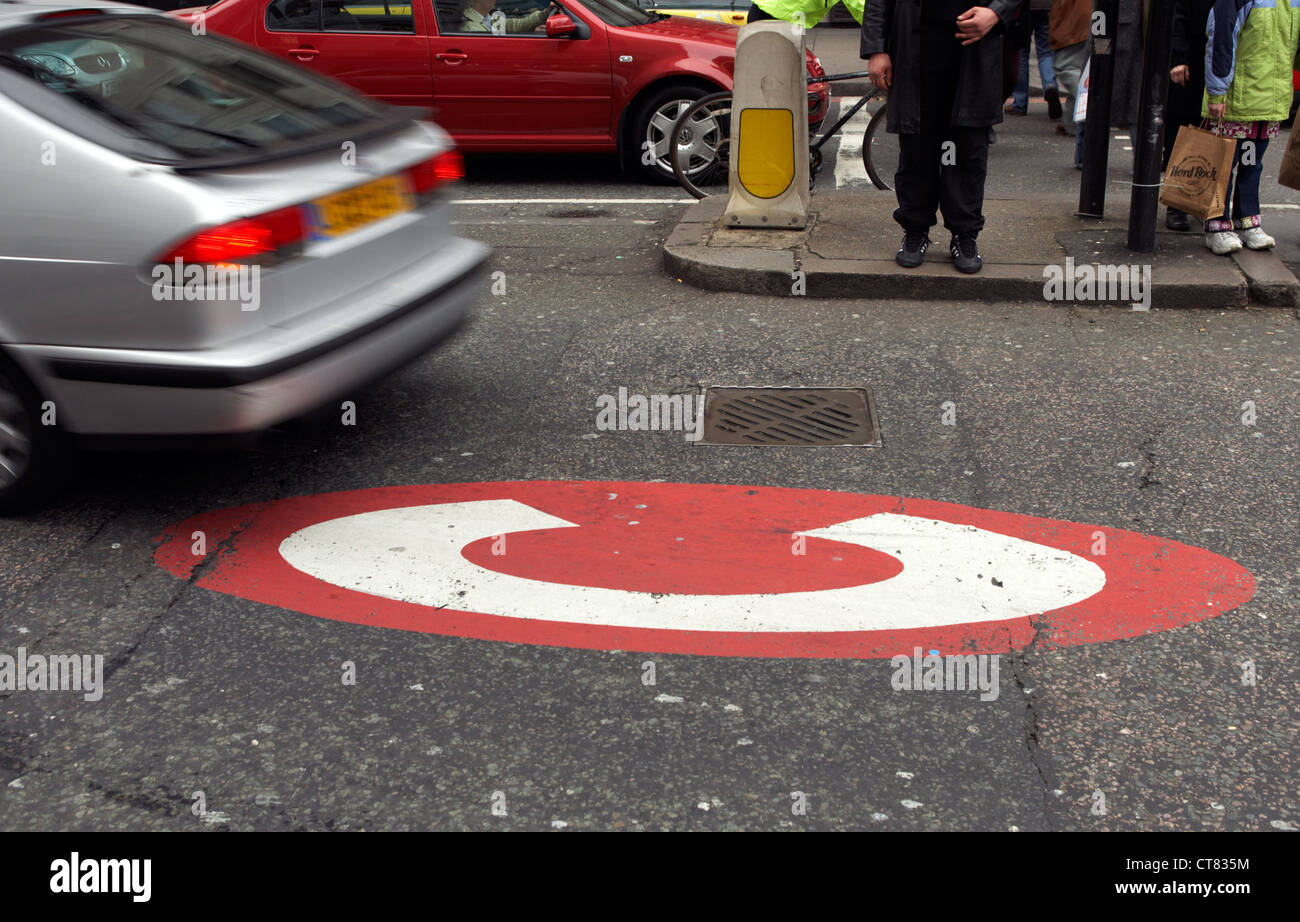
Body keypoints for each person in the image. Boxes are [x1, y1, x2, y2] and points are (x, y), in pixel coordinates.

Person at [863, 0, 1021, 274]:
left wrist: (996, 12)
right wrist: (876, 49)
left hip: (973, 51)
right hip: (917, 50)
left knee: (967, 150)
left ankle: (964, 234)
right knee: (916, 150)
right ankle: (915, 230)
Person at [1199, 0, 1299, 254]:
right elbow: (1221, 35)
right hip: (1238, 97)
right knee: (1225, 165)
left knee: (1251, 162)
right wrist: (1218, 91)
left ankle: (1247, 221)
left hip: (1268, 98)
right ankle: (1217, 225)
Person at [1163, 0, 1215, 231]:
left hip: (1218, 60)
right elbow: (1176, 16)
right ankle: (1177, 205)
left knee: (1212, 135)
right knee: (1183, 134)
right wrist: (1178, 58)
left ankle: (1200, 201)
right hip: (1193, 61)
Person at [1048, 0, 1088, 166]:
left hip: (1076, 21)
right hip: (1091, 19)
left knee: (1068, 69)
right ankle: (1071, 124)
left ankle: (1091, 100)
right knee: (1082, 69)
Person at [1007, 0, 1060, 119]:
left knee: (1021, 51)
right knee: (1046, 52)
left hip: (1024, 7)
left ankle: (1019, 104)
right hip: (1048, 6)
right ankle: (1050, 86)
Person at [459, 0, 557, 33]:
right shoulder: (470, 25)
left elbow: (517, 25)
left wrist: (545, 12)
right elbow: (493, 49)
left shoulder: (486, 18)